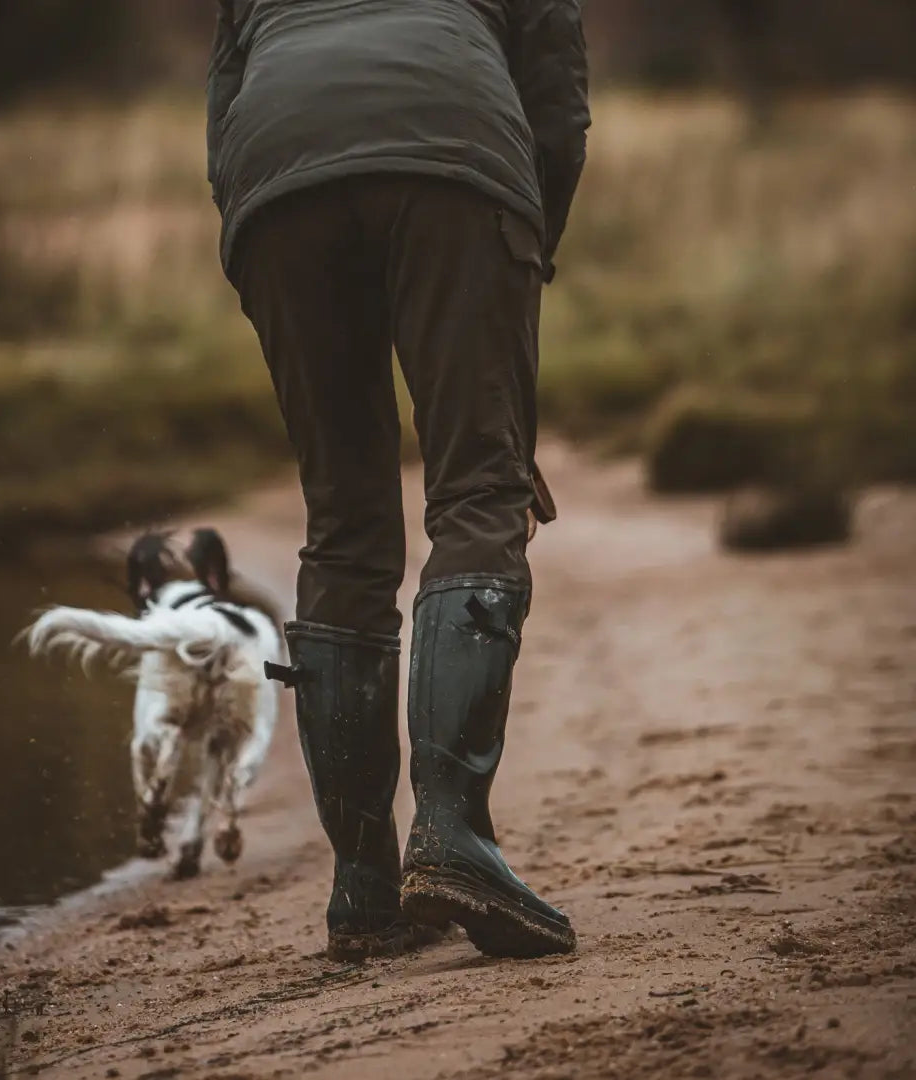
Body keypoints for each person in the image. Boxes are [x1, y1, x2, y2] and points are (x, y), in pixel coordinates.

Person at [207, 0, 589, 960]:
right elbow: (557, 105)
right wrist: (524, 247)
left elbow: (224, 104)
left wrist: (260, 222)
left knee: (342, 524)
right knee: (476, 493)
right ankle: (451, 834)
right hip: (456, 159)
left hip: (277, 176)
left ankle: (364, 885)